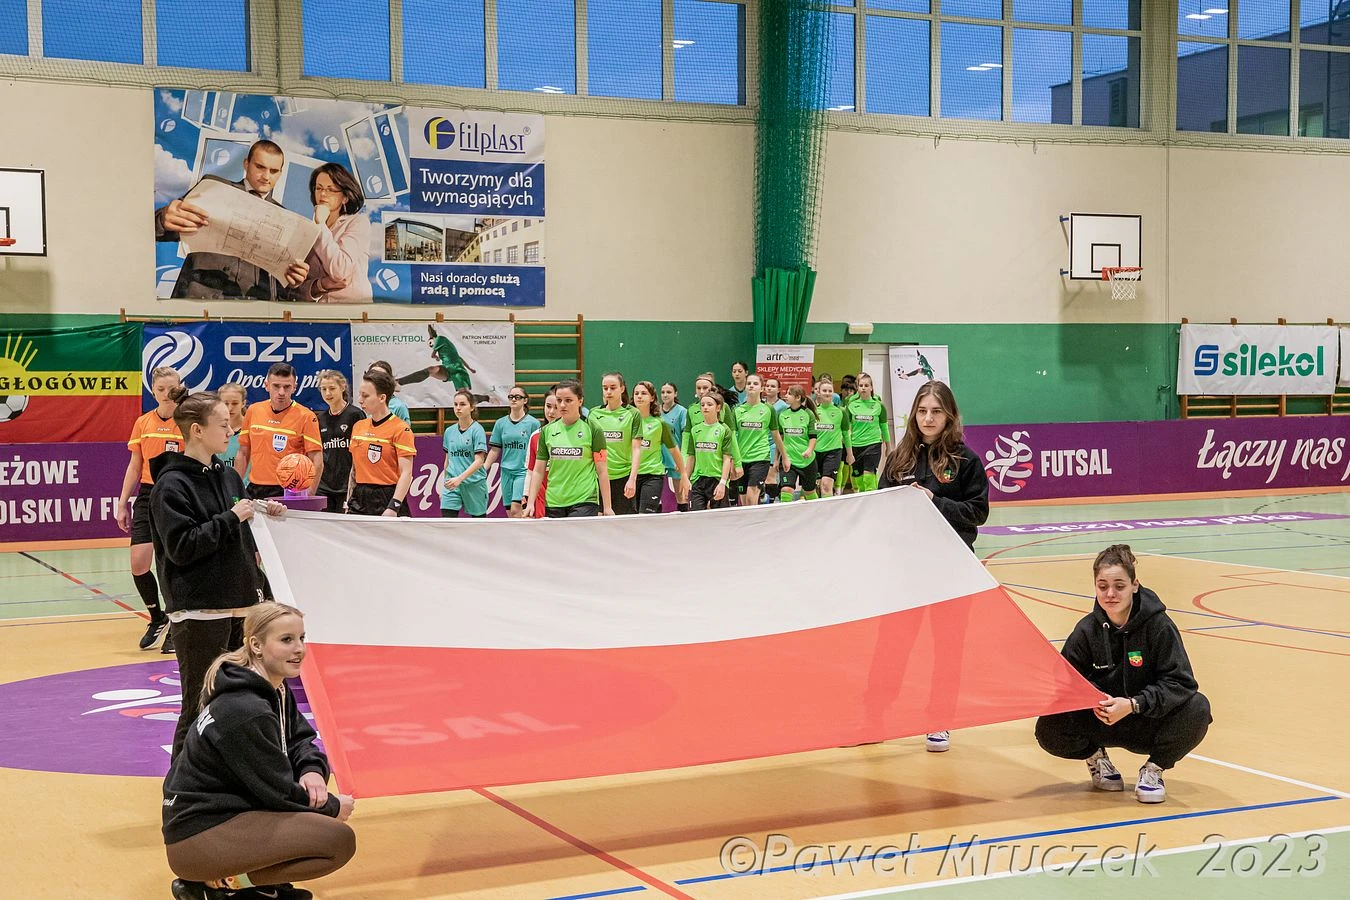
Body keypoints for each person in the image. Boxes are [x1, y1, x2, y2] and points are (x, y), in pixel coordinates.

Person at [163, 604, 356, 900]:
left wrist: (312, 770)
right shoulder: (245, 709)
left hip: (228, 817)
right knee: (336, 841)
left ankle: (262, 887)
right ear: (256, 645)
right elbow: (277, 793)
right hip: (197, 837)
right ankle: (216, 886)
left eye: (302, 638)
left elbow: (299, 738)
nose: (299, 649)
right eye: (286, 640)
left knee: (312, 803)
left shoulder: (272, 687)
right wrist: (332, 807)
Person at [149, 388, 280, 759]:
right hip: (200, 610)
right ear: (197, 430)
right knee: (199, 703)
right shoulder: (171, 485)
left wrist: (265, 514)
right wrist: (230, 518)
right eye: (223, 425)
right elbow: (182, 546)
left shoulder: (228, 476)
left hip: (240, 605)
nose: (231, 431)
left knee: (242, 702)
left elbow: (241, 526)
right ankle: (181, 784)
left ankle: (234, 775)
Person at [1036, 545, 1212, 804]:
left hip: (1146, 720)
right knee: (1049, 724)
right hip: (1102, 720)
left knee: (1198, 707)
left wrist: (1133, 704)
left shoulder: (1159, 626)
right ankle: (1096, 757)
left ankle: (1153, 770)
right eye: (1103, 586)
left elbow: (1180, 682)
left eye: (1119, 586)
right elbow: (1065, 682)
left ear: (1134, 586)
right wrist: (1095, 700)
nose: (1110, 594)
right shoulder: (1086, 630)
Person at [879, 380, 989, 752]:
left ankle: (939, 718)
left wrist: (934, 501)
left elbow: (978, 512)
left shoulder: (966, 461)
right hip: (905, 569)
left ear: (949, 415)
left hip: (950, 569)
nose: (928, 418)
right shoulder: (899, 458)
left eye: (936, 411)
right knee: (891, 644)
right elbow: (879, 506)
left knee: (947, 647)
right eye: (922, 411)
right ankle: (874, 715)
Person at [155, 140, 308, 300]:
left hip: (253, 309)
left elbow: (282, 283)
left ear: (280, 174)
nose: (266, 176)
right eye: (260, 167)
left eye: (274, 171)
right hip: (198, 303)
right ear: (246, 164)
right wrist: (163, 219)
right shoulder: (213, 189)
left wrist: (293, 281)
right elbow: (158, 228)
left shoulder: (285, 219)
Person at [118, 366, 183, 652]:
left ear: (180, 387)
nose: (167, 394)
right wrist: (122, 502)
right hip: (147, 494)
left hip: (178, 495)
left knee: (171, 563)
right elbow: (135, 465)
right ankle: (157, 617)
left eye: (172, 388)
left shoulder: (188, 420)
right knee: (138, 563)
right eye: (160, 389)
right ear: (152, 391)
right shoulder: (143, 422)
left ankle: (177, 624)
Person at [235, 364, 323, 499]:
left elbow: (316, 460)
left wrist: (309, 494)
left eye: (287, 387)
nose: (281, 392)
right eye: (276, 386)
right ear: (266, 385)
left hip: (289, 490)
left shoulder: (306, 416)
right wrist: (235, 489)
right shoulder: (253, 410)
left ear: (294, 387)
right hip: (255, 488)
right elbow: (243, 452)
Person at [526, 380, 613, 517]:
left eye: (568, 400)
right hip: (554, 501)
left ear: (580, 401)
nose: (562, 405)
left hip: (584, 500)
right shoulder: (547, 431)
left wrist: (607, 507)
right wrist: (530, 503)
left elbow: (602, 471)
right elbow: (538, 470)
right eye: (559, 400)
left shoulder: (593, 429)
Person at [294, 163, 372, 303]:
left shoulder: (358, 222)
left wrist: (320, 225)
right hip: (317, 313)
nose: (323, 194)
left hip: (352, 312)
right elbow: (297, 288)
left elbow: (340, 270)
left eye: (330, 189)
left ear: (345, 197)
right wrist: (321, 285)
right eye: (319, 188)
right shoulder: (307, 231)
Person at [347, 370, 415, 517]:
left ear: (382, 398)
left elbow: (407, 473)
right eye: (360, 395)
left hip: (386, 497)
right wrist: (349, 500)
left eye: (365, 396)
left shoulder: (401, 429)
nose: (360, 400)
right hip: (359, 497)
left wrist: (394, 507)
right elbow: (354, 470)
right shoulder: (358, 426)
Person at [630, 380, 688, 514]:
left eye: (643, 393)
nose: (639, 396)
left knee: (645, 516)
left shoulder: (659, 423)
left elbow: (674, 450)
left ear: (652, 398)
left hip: (652, 475)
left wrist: (684, 475)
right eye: (636, 393)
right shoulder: (628, 422)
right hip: (629, 475)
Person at [590, 372, 643, 516]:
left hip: (622, 477)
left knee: (623, 524)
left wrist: (632, 479)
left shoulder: (633, 413)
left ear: (622, 388)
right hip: (598, 478)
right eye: (605, 388)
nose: (608, 391)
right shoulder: (594, 414)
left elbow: (636, 449)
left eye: (613, 388)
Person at [486, 385, 540, 518]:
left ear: (525, 400)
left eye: (517, 397)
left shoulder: (533, 423)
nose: (513, 399)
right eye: (511, 397)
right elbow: (495, 449)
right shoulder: (500, 423)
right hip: (506, 471)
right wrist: (484, 468)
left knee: (517, 509)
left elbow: (536, 451)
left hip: (522, 471)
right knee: (510, 512)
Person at [397, 326, 488, 402]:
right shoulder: (443, 349)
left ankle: (486, 398)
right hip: (447, 369)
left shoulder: (440, 339)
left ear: (433, 338)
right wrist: (470, 368)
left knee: (466, 397)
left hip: (458, 372)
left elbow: (433, 355)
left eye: (431, 343)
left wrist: (436, 356)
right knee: (431, 370)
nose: (431, 346)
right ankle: (398, 382)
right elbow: (459, 358)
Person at [732, 373, 784, 507]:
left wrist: (785, 457)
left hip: (760, 458)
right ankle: (761, 499)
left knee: (751, 498)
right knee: (744, 502)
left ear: (761, 388)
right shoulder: (737, 410)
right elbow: (732, 438)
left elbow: (776, 435)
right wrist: (733, 460)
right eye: (749, 383)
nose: (751, 386)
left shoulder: (768, 409)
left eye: (755, 384)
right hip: (742, 459)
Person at [316, 371, 365, 513]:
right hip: (325, 486)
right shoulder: (321, 419)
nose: (327, 393)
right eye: (324, 389)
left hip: (346, 485)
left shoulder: (355, 415)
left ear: (342, 387)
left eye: (332, 388)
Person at [441, 389, 489, 518]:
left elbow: (479, 461)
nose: (458, 408)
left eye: (462, 404)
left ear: (472, 407)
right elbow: (447, 460)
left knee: (478, 524)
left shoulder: (477, 430)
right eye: (455, 404)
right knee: (447, 522)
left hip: (474, 483)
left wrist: (460, 479)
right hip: (452, 483)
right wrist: (445, 483)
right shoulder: (449, 431)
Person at [682, 392, 735, 510]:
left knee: (718, 517)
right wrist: (685, 479)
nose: (705, 407)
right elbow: (691, 457)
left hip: (717, 479)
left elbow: (727, 459)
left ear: (718, 408)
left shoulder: (724, 429)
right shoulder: (695, 430)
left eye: (709, 404)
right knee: (696, 516)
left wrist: (723, 482)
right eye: (702, 405)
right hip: (698, 480)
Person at [844, 373, 890, 493]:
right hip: (856, 445)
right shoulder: (851, 405)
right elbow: (846, 430)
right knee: (859, 481)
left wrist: (888, 447)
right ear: (857, 388)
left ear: (871, 387)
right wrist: (848, 451)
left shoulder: (879, 406)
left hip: (873, 444)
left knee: (868, 478)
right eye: (861, 385)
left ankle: (873, 501)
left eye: (866, 385)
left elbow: (884, 427)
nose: (863, 388)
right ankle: (864, 501)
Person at [777, 385, 819, 502]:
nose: (786, 396)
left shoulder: (808, 414)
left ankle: (817, 511)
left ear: (797, 397)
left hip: (807, 460)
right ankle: (786, 513)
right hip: (788, 460)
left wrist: (809, 450)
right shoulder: (782, 414)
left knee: (809, 492)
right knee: (786, 489)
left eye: (789, 394)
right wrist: (776, 459)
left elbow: (813, 437)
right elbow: (780, 439)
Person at [524, 389, 561, 520]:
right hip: (542, 494)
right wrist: (526, 499)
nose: (551, 412)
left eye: (556, 407)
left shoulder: (573, 434)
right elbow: (530, 471)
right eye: (548, 406)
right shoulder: (535, 436)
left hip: (564, 493)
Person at [812, 376, 848, 498]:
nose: (827, 393)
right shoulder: (812, 412)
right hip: (815, 453)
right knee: (814, 487)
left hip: (833, 452)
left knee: (826, 485)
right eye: (824, 390)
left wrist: (850, 454)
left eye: (830, 391)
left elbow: (846, 434)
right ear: (818, 392)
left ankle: (828, 509)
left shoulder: (841, 411)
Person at [659, 382, 689, 512]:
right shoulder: (656, 411)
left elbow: (685, 437)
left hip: (675, 458)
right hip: (659, 459)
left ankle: (683, 515)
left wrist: (681, 458)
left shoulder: (682, 411)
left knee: (680, 495)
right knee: (656, 495)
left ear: (675, 394)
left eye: (669, 392)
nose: (665, 395)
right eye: (663, 392)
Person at [761, 376, 788, 503]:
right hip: (760, 443)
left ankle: (771, 503)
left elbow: (781, 430)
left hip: (774, 444)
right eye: (767, 386)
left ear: (778, 389)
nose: (769, 388)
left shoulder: (783, 406)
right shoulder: (760, 404)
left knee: (770, 476)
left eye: (773, 386)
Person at [365, 361, 412, 425]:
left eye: (381, 376)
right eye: (373, 376)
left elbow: (405, 430)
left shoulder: (399, 407)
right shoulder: (365, 403)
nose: (376, 380)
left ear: (389, 379)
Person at [217, 383, 248, 471]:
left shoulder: (251, 428)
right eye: (226, 403)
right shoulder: (212, 428)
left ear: (243, 403)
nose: (230, 408)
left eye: (235, 403)